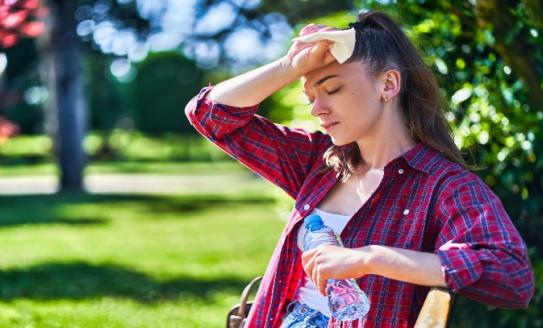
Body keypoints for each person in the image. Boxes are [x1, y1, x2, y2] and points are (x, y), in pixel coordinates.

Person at [185, 10, 534, 328]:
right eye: (310, 98)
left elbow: (512, 277)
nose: (317, 109)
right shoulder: (319, 162)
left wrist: (370, 258)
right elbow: (210, 116)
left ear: (388, 84)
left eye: (333, 89)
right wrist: (289, 66)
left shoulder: (445, 186)